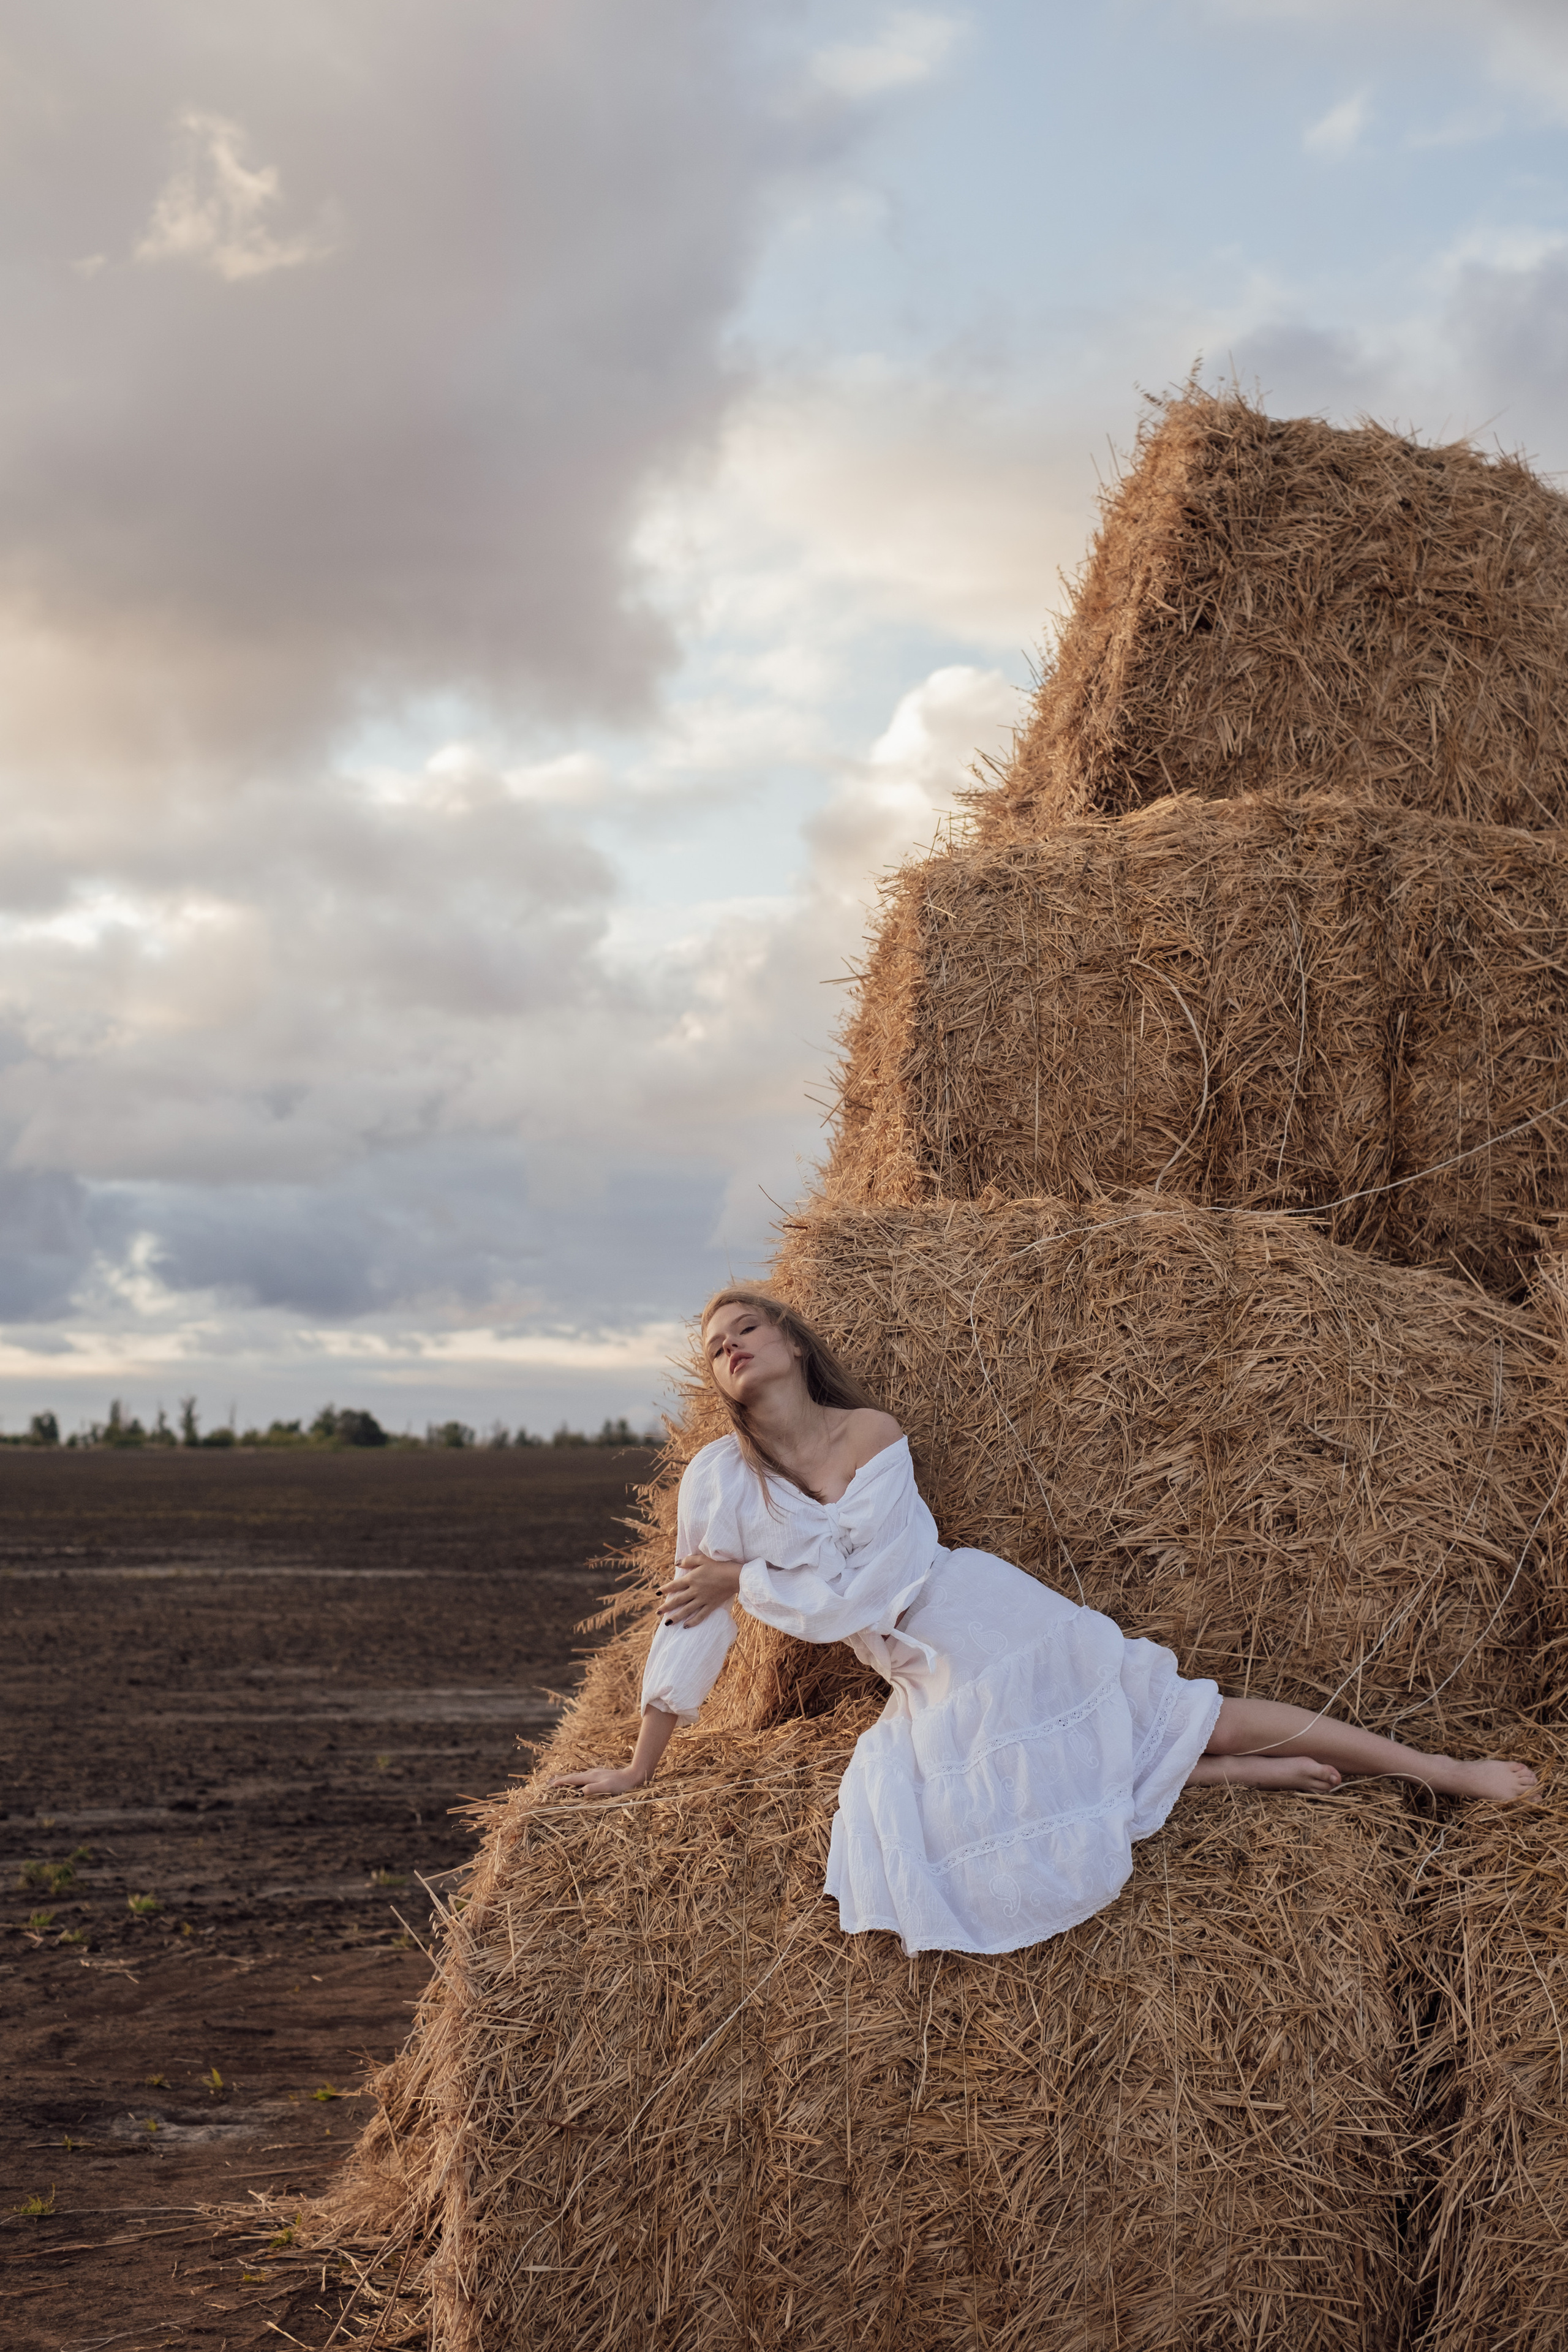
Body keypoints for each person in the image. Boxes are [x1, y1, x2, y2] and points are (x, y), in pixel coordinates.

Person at [549, 1288, 1539, 1956]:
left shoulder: (871, 1435)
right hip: (920, 1665)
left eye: (745, 1328)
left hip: (979, 1610)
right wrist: (644, 1761)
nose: (728, 1345)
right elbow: (694, 1621)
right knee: (968, 1810)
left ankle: (1441, 1773)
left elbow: (864, 1581)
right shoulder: (719, 1483)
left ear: (794, 1344)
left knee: (1204, 1710)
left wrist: (747, 1579)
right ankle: (1215, 1774)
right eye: (714, 1346)